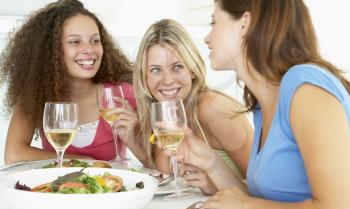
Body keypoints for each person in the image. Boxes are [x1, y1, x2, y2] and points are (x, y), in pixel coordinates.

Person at [177, 0, 350, 209]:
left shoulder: (305, 88)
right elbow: (272, 204)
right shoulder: (263, 103)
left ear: (244, 24)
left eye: (214, 22)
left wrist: (246, 206)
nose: (207, 38)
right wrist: (212, 163)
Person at [0, 0, 138, 164]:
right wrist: (84, 161)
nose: (89, 49)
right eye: (74, 41)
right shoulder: (36, 95)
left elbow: (155, 158)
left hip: (113, 187)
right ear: (51, 50)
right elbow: (14, 155)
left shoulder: (122, 94)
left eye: (95, 40)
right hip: (58, 189)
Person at [131, 19, 253, 195]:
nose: (167, 80)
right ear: (144, 77)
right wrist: (130, 139)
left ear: (192, 69)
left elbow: (266, 191)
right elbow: (165, 176)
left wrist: (215, 185)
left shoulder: (215, 110)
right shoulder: (161, 113)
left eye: (177, 67)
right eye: (155, 70)